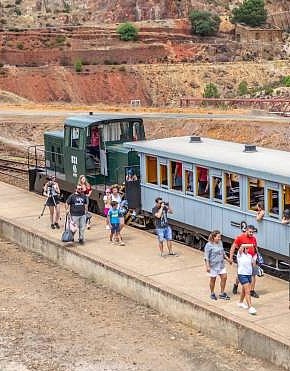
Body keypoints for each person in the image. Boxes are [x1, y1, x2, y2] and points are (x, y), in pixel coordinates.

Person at [229, 225, 259, 298]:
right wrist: (231, 257)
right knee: (241, 274)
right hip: (243, 259)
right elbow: (233, 247)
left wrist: (257, 256)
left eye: (253, 232)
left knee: (253, 274)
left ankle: (252, 290)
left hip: (252, 258)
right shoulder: (240, 238)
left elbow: (255, 248)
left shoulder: (254, 238)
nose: (251, 233)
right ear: (246, 230)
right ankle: (236, 285)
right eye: (250, 232)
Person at [204, 230, 230, 300]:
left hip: (221, 264)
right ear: (213, 237)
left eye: (220, 237)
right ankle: (212, 293)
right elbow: (206, 257)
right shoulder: (209, 245)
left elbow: (223, 252)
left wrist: (228, 259)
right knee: (213, 279)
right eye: (218, 237)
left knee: (224, 277)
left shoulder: (220, 243)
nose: (219, 238)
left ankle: (222, 293)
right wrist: (207, 266)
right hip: (213, 266)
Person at [236, 244, 257, 315]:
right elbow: (241, 246)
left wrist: (257, 269)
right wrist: (251, 245)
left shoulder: (249, 256)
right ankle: (250, 307)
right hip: (242, 275)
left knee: (244, 290)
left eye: (248, 248)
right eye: (246, 248)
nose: (247, 249)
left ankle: (240, 303)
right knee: (248, 291)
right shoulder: (240, 255)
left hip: (249, 275)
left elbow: (253, 265)